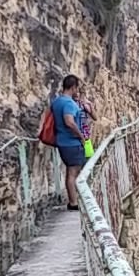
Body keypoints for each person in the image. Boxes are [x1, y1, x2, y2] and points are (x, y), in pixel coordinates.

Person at [51, 75, 88, 210]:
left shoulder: (57, 102)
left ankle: (73, 200)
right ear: (73, 87)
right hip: (71, 143)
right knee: (74, 172)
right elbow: (69, 121)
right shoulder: (68, 103)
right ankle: (74, 202)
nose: (77, 91)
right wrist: (80, 136)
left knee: (70, 171)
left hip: (61, 141)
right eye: (76, 88)